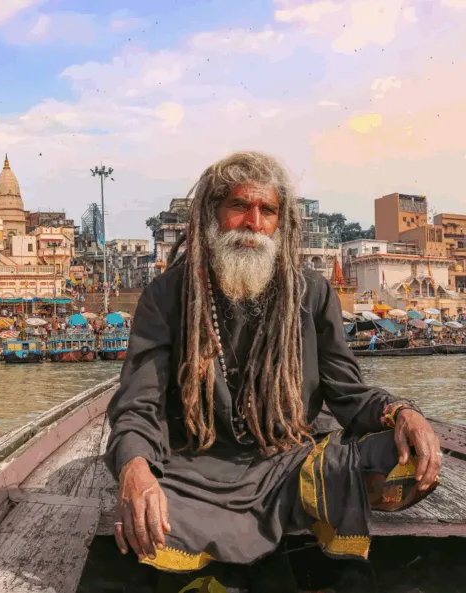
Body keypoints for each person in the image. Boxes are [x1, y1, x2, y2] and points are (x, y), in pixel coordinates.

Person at [106, 151, 442, 593]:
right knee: (154, 517)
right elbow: (137, 404)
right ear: (212, 215)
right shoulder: (168, 294)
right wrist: (134, 469)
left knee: (408, 458)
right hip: (197, 469)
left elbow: (348, 393)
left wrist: (403, 413)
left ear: (280, 223)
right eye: (239, 206)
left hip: (288, 458)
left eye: (267, 211)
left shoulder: (312, 292)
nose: (253, 222)